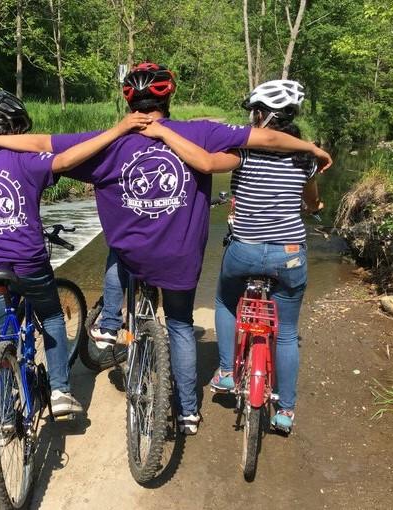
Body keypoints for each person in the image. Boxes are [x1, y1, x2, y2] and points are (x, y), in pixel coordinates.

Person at [0, 65, 332, 434]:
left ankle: (110, 324)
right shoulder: (200, 132)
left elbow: (44, 143)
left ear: (128, 100)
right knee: (181, 325)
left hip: (130, 257)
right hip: (181, 258)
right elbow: (266, 140)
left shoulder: (108, 142)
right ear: (168, 97)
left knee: (118, 257)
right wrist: (311, 149)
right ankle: (188, 412)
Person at [138, 79, 325, 433]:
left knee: (225, 301)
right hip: (289, 254)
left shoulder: (245, 150)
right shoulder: (307, 156)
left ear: (263, 116)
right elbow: (311, 202)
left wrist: (164, 134)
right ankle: (285, 410)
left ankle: (226, 371)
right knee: (285, 333)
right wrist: (314, 206)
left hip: (245, 249)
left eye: (254, 113)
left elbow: (205, 163)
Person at [0, 89, 151, 416]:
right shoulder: (28, 160)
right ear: (19, 128)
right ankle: (60, 391)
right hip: (28, 263)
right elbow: (70, 157)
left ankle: (4, 417)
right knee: (50, 316)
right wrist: (118, 130)